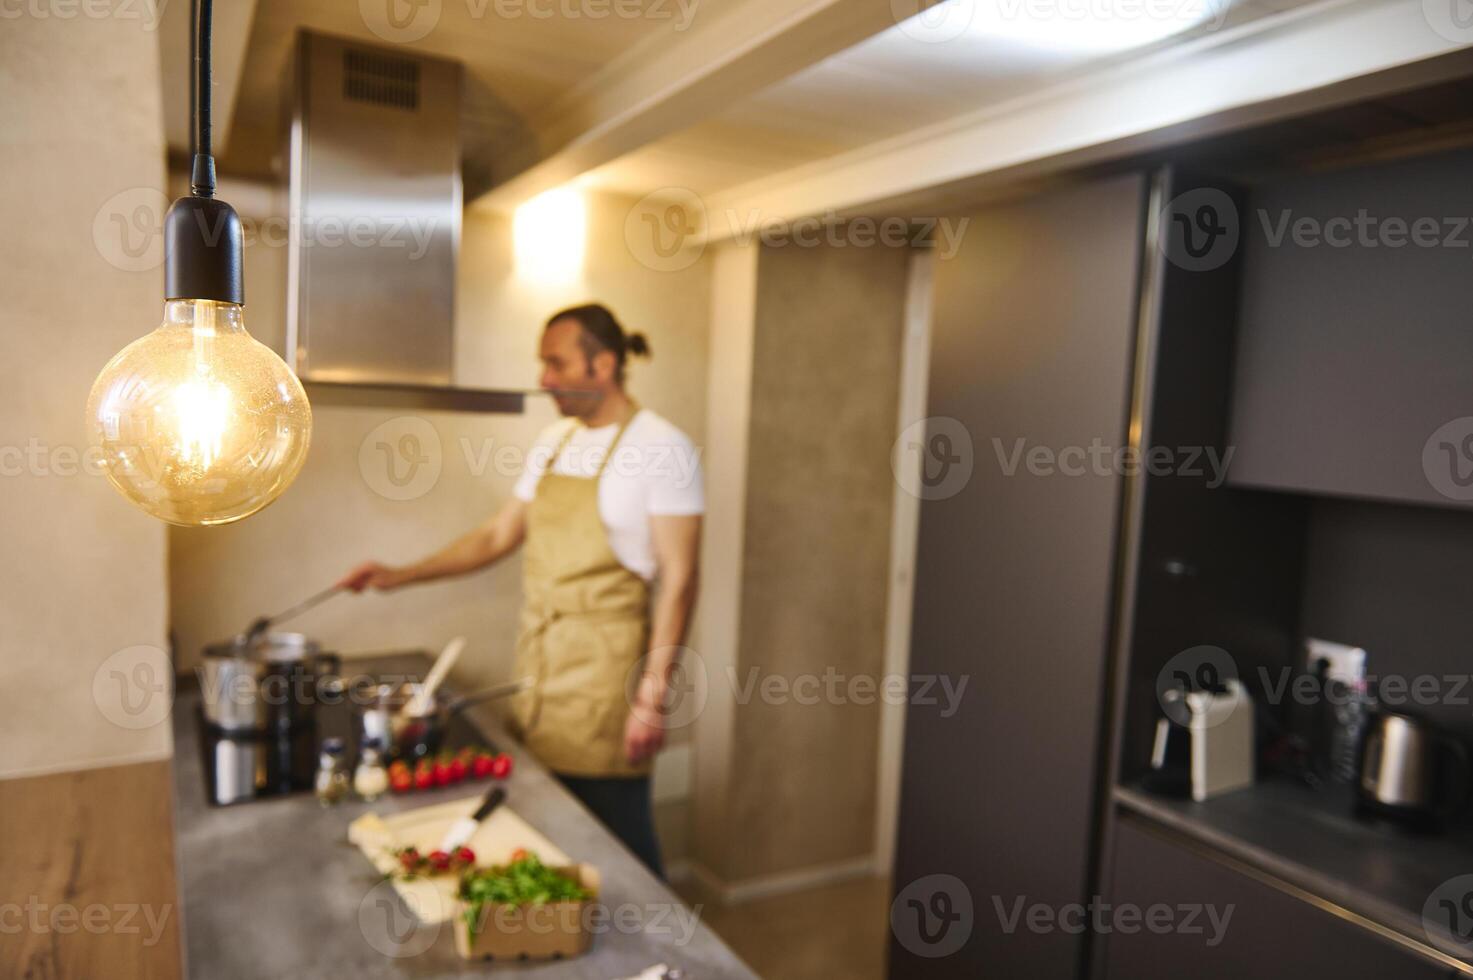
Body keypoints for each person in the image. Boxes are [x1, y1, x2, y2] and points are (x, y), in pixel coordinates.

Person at [338, 303, 703, 877]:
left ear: (602, 364)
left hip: (606, 684)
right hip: (540, 668)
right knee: (550, 823)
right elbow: (498, 535)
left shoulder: (663, 448)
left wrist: (652, 701)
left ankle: (663, 953)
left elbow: (681, 583)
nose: (544, 379)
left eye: (556, 364)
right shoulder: (555, 441)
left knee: (618, 835)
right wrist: (398, 574)